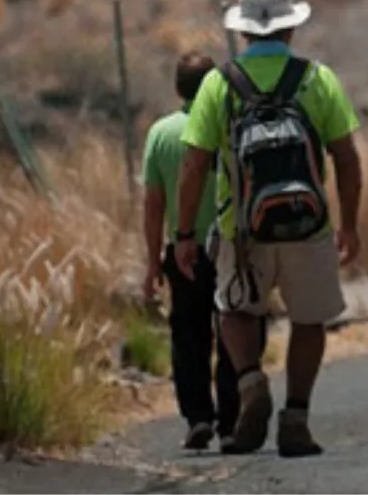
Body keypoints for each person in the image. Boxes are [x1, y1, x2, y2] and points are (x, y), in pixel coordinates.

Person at [174, 0, 363, 458]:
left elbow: (194, 164)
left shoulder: (219, 83)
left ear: (244, 33)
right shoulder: (318, 79)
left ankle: (251, 380)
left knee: (235, 310)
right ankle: (296, 417)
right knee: (309, 320)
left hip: (242, 228)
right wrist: (351, 224)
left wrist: (183, 235)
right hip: (309, 225)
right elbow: (346, 158)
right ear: (291, 27)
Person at [141, 51, 262, 452]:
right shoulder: (232, 123)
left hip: (184, 249)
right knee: (237, 326)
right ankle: (230, 422)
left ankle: (197, 418)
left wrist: (152, 259)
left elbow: (154, 204)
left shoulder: (161, 133)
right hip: (234, 244)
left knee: (188, 336)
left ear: (178, 88)